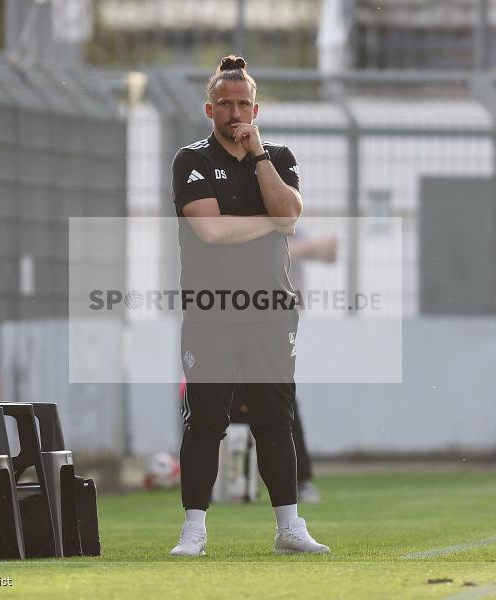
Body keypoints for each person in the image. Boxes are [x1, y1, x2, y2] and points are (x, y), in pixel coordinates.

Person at [169, 55, 329, 556]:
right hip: (211, 309)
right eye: (225, 105)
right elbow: (211, 231)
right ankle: (193, 529)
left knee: (274, 419)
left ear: (256, 109)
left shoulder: (277, 157)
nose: (235, 113)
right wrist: (272, 224)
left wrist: (258, 156)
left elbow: (289, 210)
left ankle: (289, 526)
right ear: (209, 109)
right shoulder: (191, 160)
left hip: (270, 308)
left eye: (243, 105)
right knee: (207, 420)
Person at [231, 231, 338, 503]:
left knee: (280, 398)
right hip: (245, 321)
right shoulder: (250, 221)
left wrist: (305, 247)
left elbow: (330, 252)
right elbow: (259, 259)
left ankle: (296, 482)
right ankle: (233, 480)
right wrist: (308, 247)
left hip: (280, 323)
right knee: (237, 397)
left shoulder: (289, 227)